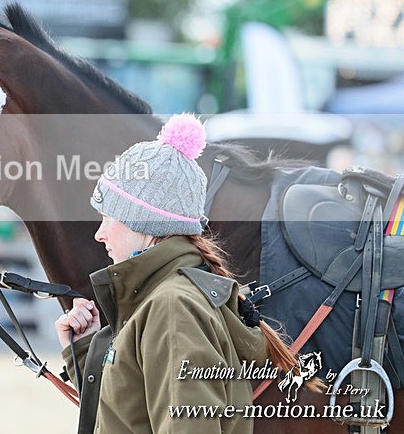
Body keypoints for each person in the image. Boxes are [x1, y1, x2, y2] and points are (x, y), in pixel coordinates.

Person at [55, 114, 317, 433]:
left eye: (109, 217)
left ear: (146, 222)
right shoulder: (162, 298)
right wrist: (85, 348)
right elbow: (127, 415)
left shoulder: (172, 309)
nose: (100, 233)